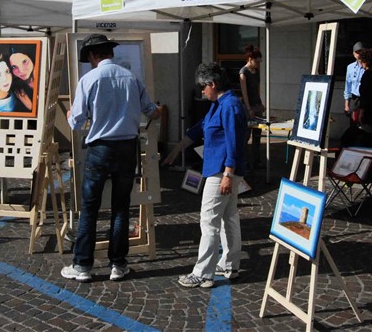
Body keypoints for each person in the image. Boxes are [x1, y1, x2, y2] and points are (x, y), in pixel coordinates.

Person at [61, 34, 160, 283]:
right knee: (121, 207)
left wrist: (71, 113)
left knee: (90, 208)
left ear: (94, 55)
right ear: (110, 53)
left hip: (100, 148)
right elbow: (151, 111)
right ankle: (118, 264)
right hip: (128, 147)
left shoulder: (89, 79)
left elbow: (76, 122)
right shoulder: (131, 77)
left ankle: (82, 265)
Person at [165, 62, 248, 288]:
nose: (202, 91)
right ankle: (229, 264)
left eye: (203, 87)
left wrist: (228, 175)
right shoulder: (220, 104)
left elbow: (234, 143)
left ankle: (203, 273)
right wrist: (177, 149)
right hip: (223, 171)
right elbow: (200, 128)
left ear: (213, 84)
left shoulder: (229, 106)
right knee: (228, 218)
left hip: (222, 172)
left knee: (209, 221)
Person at [239, 44, 264, 170]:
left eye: (259, 61)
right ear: (250, 59)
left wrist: (260, 103)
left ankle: (257, 161)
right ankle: (244, 162)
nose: (258, 64)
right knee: (246, 135)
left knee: (257, 135)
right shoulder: (243, 72)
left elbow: (256, 89)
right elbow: (244, 93)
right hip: (248, 106)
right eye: (256, 61)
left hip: (257, 104)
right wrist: (249, 109)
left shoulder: (256, 71)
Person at [344, 42, 367, 124]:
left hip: (366, 99)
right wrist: (347, 105)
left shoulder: (369, 66)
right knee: (354, 122)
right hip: (355, 99)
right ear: (354, 54)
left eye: (361, 52)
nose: (359, 54)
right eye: (357, 52)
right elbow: (348, 86)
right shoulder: (350, 67)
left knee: (365, 123)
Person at [8, 45, 36, 111]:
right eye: (14, 67)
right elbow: (34, 109)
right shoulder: (17, 87)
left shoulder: (43, 73)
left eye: (24, 62)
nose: (21, 71)